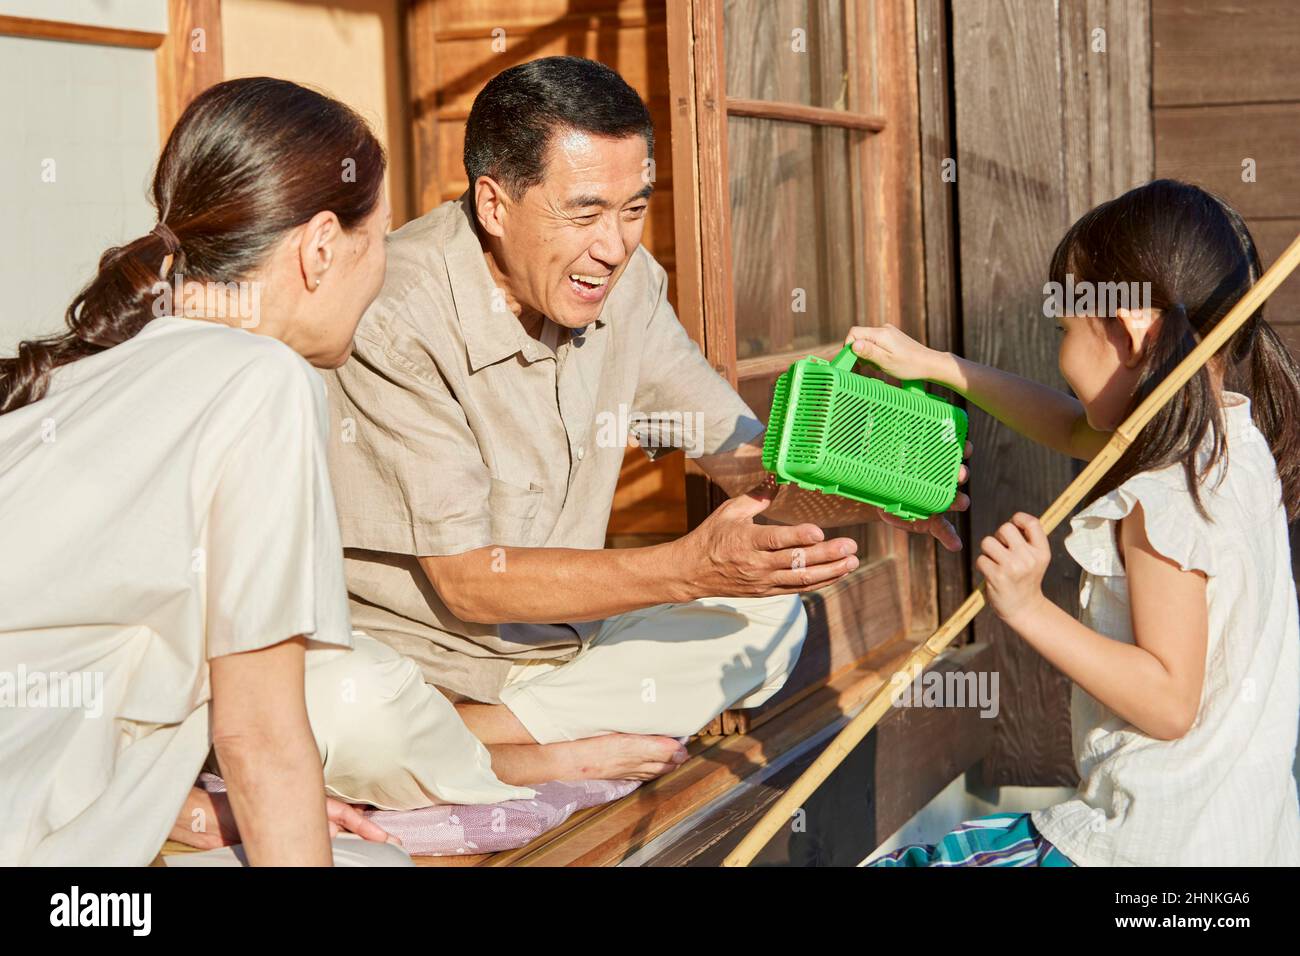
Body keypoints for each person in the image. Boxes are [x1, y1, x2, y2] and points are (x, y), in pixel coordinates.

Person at [311, 56, 971, 800]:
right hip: (417, 662)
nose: (616, 246)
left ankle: (472, 738)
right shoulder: (396, 317)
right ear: (494, 206)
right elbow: (468, 583)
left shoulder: (625, 285)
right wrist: (687, 567)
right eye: (586, 212)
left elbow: (743, 455)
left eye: (635, 208)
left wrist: (865, 480)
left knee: (770, 620)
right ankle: (493, 746)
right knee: (347, 712)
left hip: (567, 651)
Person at [0, 77, 410, 866]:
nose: (383, 268)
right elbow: (256, 737)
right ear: (322, 246)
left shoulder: (93, 367)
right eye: (381, 236)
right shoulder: (262, 381)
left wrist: (193, 815)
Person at [860, 179, 1300, 866]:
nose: (1062, 357)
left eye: (1065, 330)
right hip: (1238, 840)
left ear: (1128, 331)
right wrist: (937, 366)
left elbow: (1168, 699)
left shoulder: (1167, 493)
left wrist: (1026, 608)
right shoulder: (1230, 444)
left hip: (1145, 847)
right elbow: (1070, 425)